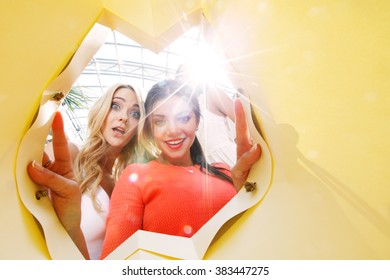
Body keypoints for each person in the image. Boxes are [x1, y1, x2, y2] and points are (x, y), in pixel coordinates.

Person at [100, 79, 261, 259]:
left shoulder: (225, 171)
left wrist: (247, 190)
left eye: (183, 118)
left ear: (197, 120)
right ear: (150, 129)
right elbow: (116, 260)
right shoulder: (136, 176)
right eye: (160, 121)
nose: (173, 130)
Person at [27, 83, 145, 259]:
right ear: (101, 111)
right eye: (115, 106)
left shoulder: (123, 186)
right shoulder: (69, 154)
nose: (124, 117)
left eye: (135, 113)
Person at [175, 63, 237, 168]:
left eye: (189, 73)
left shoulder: (212, 94)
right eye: (181, 74)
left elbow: (244, 121)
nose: (185, 77)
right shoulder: (180, 114)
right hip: (206, 169)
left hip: (229, 158)